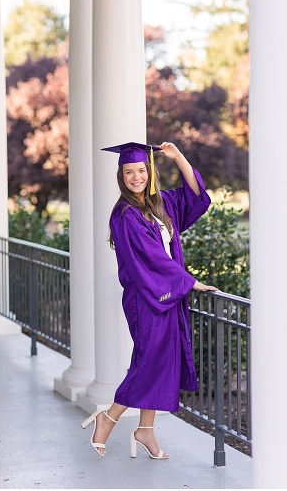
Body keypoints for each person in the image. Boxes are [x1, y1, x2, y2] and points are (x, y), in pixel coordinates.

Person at [81, 141, 217, 460]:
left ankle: (145, 431)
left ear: (149, 172)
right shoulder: (125, 215)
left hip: (168, 295)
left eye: (141, 170)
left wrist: (179, 157)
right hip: (148, 298)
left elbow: (197, 195)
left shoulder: (160, 204)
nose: (136, 177)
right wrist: (190, 282)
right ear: (122, 176)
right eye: (129, 172)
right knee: (148, 361)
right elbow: (151, 257)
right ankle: (108, 418)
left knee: (160, 363)